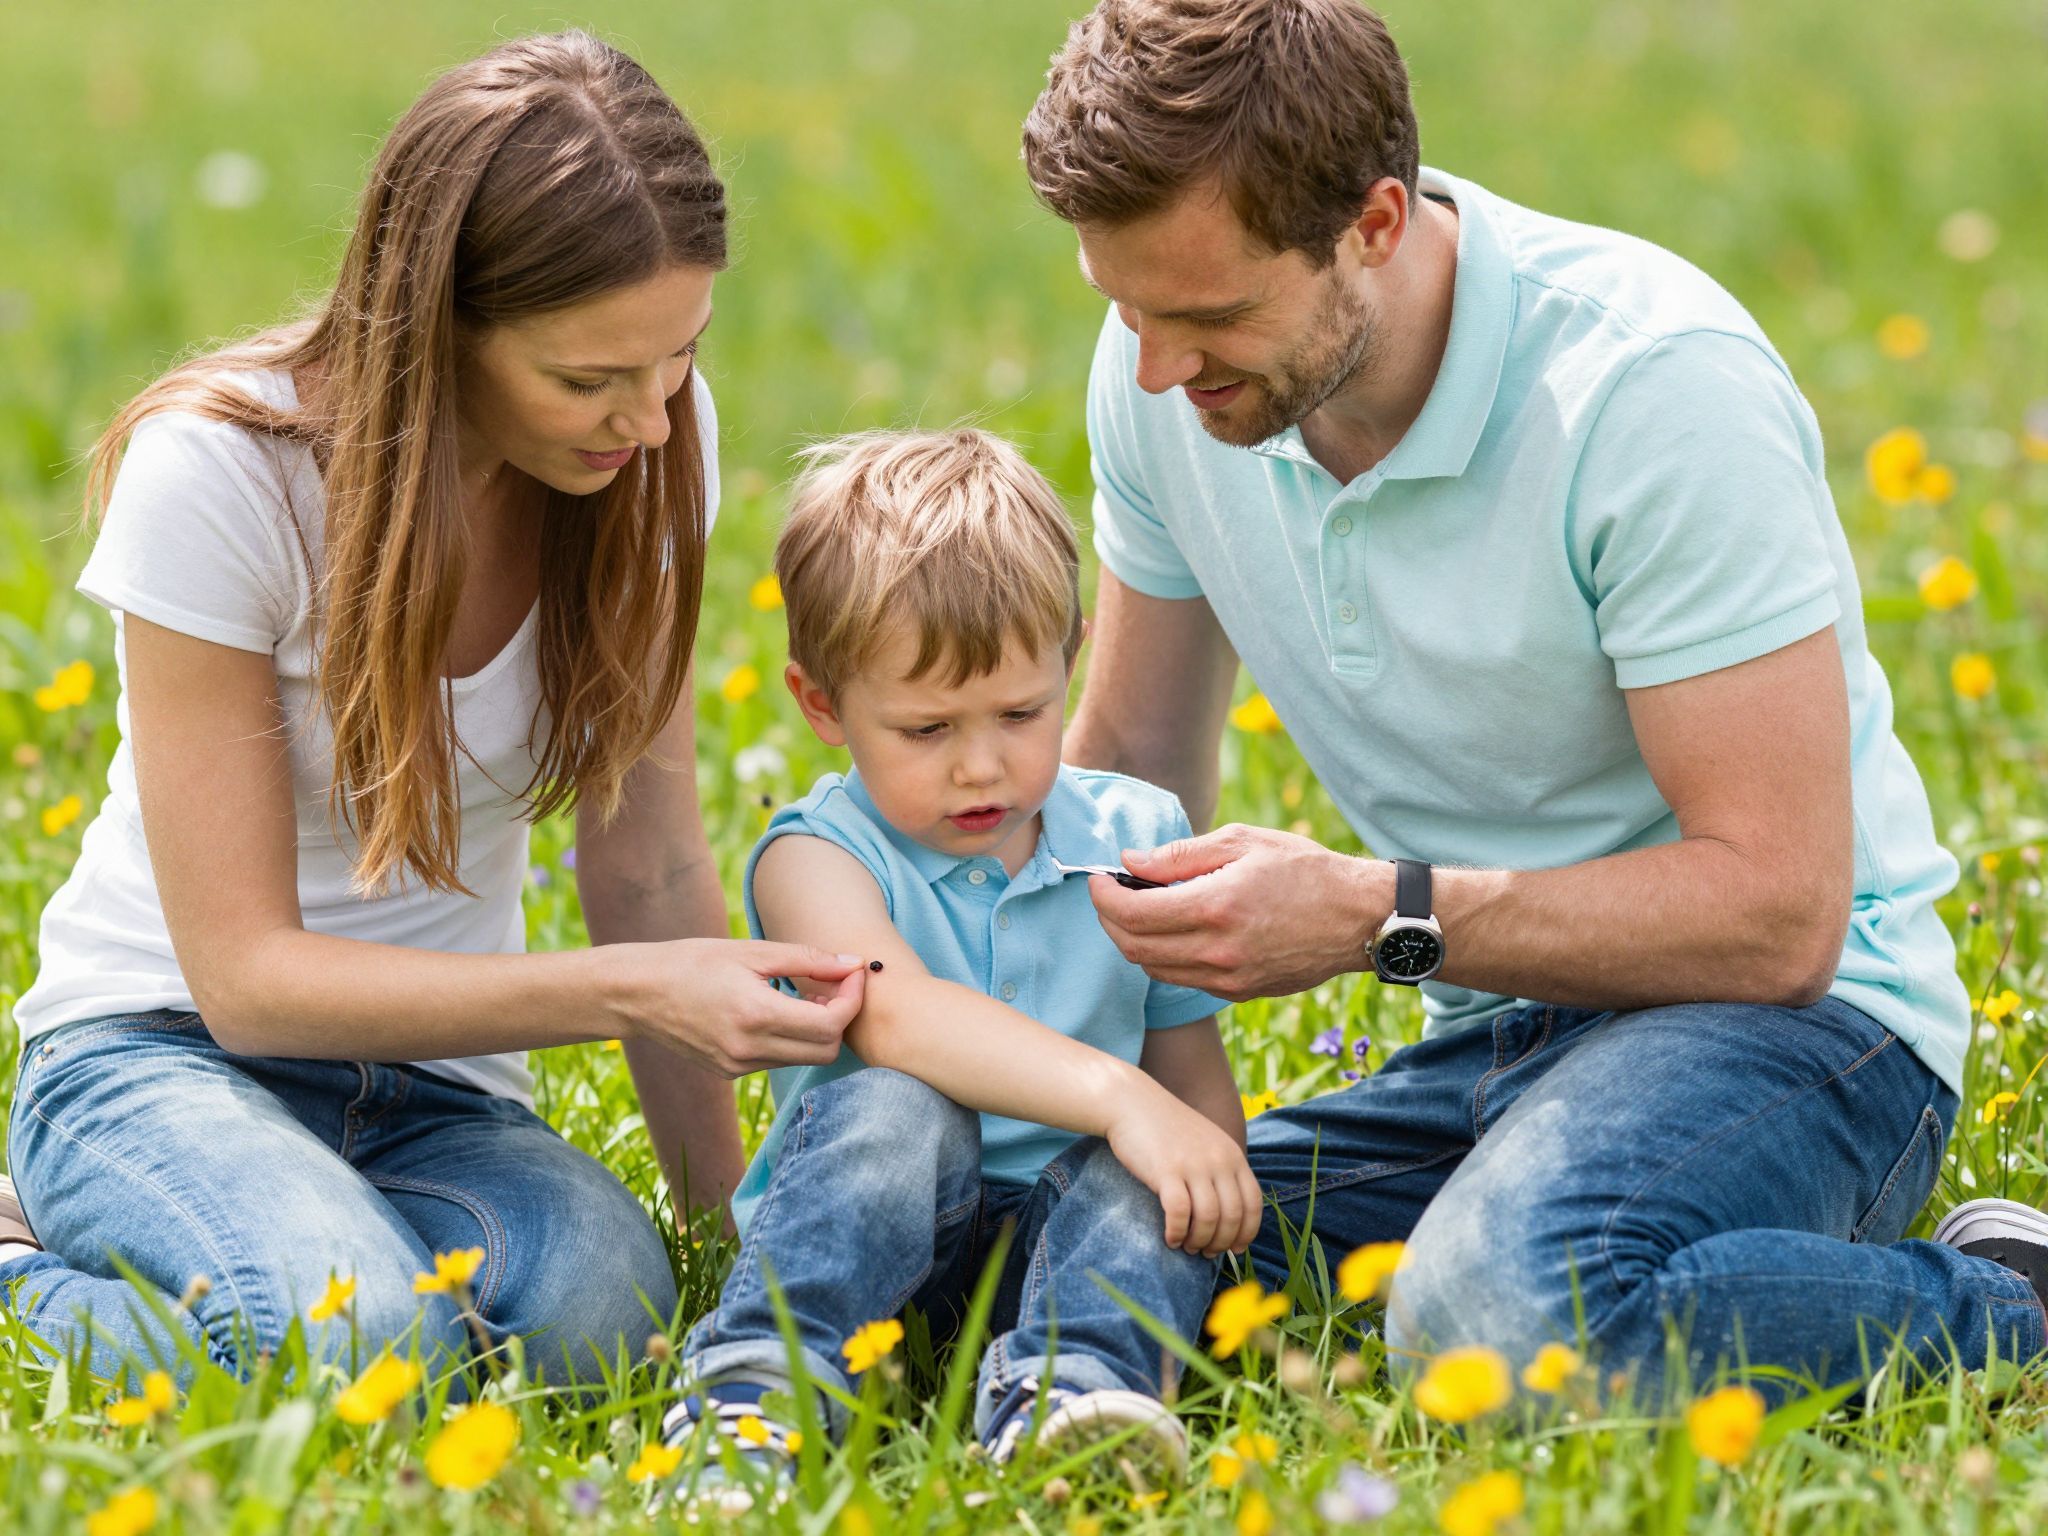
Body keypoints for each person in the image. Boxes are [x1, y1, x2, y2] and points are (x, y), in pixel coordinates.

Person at [1020, 0, 2048, 1401]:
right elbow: (1133, 763)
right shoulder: (1164, 378)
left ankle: (2011, 1307)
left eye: (1207, 315)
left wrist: (1371, 914)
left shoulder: (1650, 389)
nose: (1154, 366)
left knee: (1497, 1319)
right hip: (1499, 1025)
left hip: (1807, 1031)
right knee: (1049, 1248)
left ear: (1374, 224)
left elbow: (1780, 919)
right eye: (1124, 306)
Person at [0, 30, 870, 1390]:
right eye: (586, 380)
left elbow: (646, 866)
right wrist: (627, 994)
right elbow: (245, 981)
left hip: (437, 1092)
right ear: (438, 328)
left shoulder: (645, 459)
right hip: (161, 1056)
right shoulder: (222, 475)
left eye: (678, 359)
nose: (649, 421)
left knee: (604, 1327)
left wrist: (730, 1237)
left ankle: (305, 1253)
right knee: (362, 1348)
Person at [663, 431, 1259, 1510]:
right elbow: (896, 1019)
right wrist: (1120, 1098)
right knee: (897, 1108)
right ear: (821, 705)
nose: (980, 766)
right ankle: (756, 1395)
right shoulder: (819, 856)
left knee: (1150, 1165)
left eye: (1020, 714)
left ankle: (1073, 1400)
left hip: (1070, 1254)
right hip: (871, 1259)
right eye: (926, 727)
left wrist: (1202, 1175)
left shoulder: (1136, 839)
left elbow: (1189, 1078)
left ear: (1071, 660)